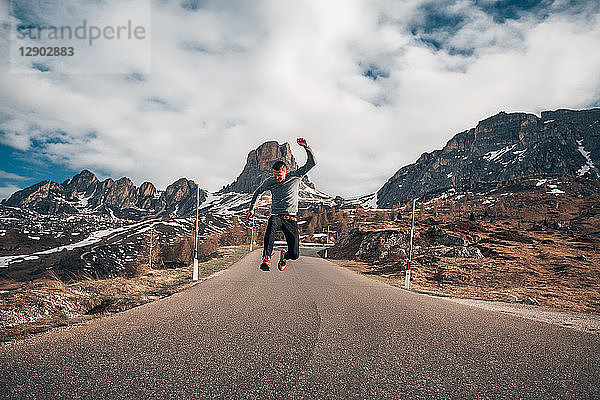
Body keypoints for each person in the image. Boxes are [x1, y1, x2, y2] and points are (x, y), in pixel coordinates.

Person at [246, 138, 316, 271]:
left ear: (285, 171)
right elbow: (257, 192)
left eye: (279, 175)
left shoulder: (295, 176)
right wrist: (251, 208)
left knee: (295, 254)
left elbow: (312, 163)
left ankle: (284, 256)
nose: (277, 178)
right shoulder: (270, 181)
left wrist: (306, 147)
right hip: (277, 216)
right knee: (271, 224)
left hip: (291, 219)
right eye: (275, 175)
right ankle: (266, 258)